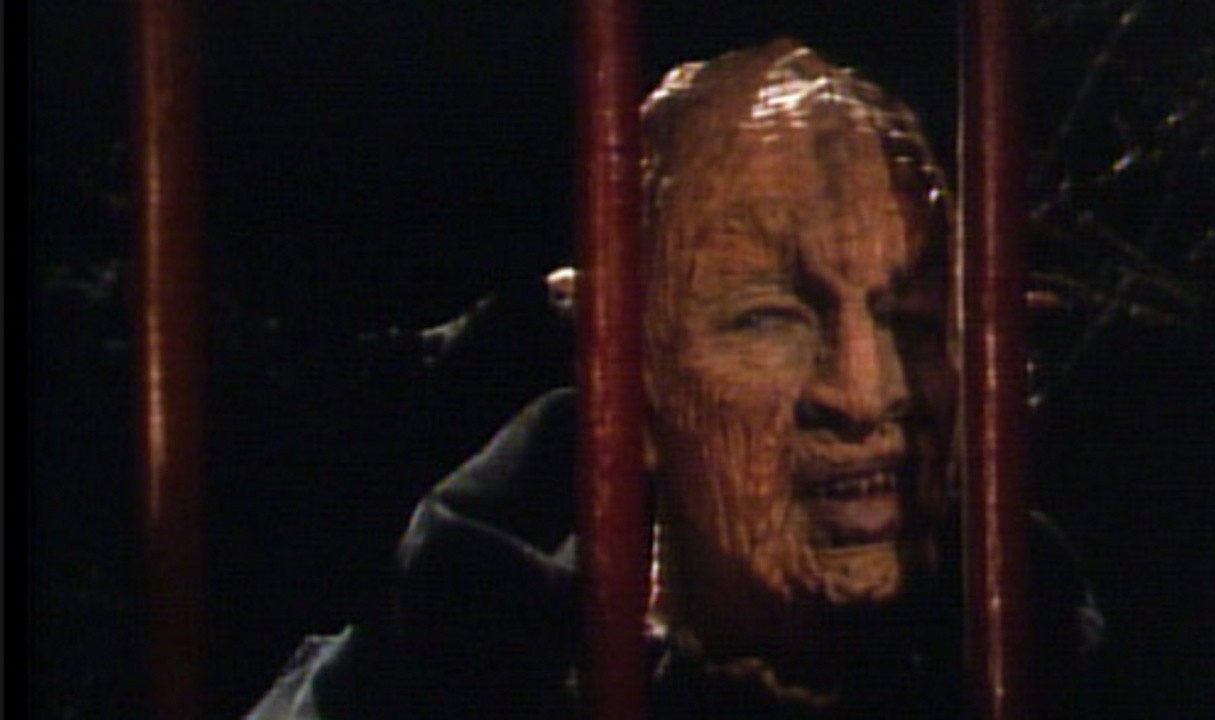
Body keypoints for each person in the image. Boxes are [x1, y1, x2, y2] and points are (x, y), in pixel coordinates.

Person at [248, 39, 1102, 719]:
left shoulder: (1059, 660)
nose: (863, 393)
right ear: (628, 382)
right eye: (770, 318)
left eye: (908, 318)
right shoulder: (421, 675)